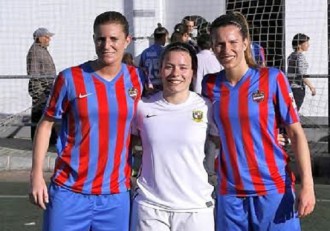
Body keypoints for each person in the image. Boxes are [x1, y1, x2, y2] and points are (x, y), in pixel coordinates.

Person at [29, 11, 145, 231]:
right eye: (101, 39)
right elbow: (45, 125)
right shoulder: (70, 78)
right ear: (94, 39)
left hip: (115, 196)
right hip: (69, 192)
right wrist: (36, 175)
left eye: (114, 39)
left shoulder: (137, 79)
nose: (107, 45)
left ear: (127, 41)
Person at [202, 12, 315, 231]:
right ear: (213, 47)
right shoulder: (209, 84)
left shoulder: (272, 78)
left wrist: (307, 185)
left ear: (245, 43)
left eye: (233, 42)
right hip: (230, 193)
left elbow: (296, 134)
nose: (226, 50)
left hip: (273, 188)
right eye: (219, 44)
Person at [130, 42, 218, 231]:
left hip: (195, 208)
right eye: (169, 66)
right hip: (150, 207)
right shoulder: (143, 107)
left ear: (193, 72)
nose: (175, 73)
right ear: (160, 70)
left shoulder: (207, 107)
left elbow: (231, 140)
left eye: (183, 67)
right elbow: (123, 143)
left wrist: (272, 139)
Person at [27, 27, 57, 144]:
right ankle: (38, 141)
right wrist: (39, 92)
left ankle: (48, 140)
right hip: (41, 90)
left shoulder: (42, 50)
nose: (49, 39)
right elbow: (34, 74)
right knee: (40, 115)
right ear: (39, 38)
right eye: (46, 36)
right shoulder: (35, 51)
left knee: (44, 115)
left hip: (46, 89)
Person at [287, 33, 316, 111]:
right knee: (294, 113)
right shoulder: (300, 56)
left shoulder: (291, 56)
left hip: (290, 88)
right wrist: (311, 87)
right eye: (306, 43)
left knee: (291, 112)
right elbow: (302, 74)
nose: (308, 45)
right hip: (297, 89)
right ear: (299, 45)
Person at [139, 23, 169, 91]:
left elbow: (141, 69)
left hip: (149, 86)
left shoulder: (145, 53)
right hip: (163, 86)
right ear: (164, 37)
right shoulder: (165, 52)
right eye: (167, 38)